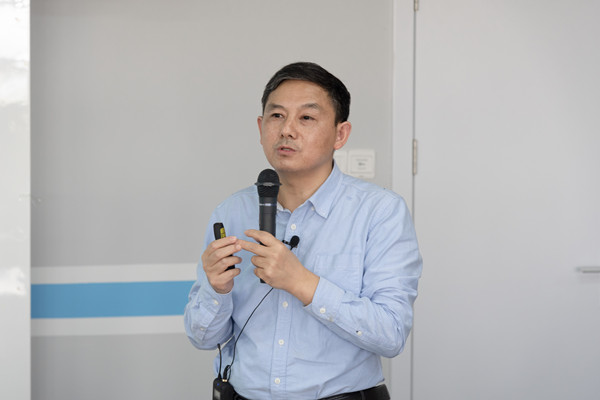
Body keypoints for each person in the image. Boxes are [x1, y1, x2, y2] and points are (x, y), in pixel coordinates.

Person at [184, 61, 422, 400]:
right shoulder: (231, 212)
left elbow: (391, 334)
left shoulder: (380, 212)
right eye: (276, 116)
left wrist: (301, 282)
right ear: (261, 127)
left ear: (340, 134)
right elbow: (203, 338)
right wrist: (217, 290)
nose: (287, 130)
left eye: (306, 117)